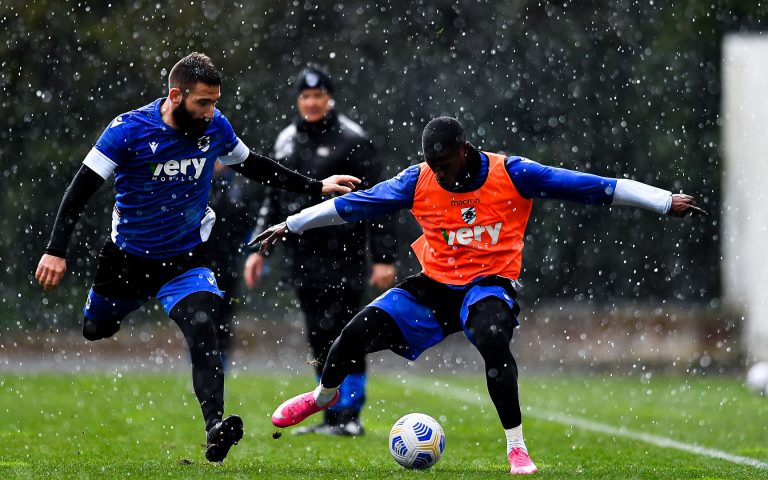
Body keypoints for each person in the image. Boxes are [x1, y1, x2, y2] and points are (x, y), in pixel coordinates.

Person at [253, 117, 707, 474]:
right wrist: (289, 225)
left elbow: (593, 187)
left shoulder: (514, 172)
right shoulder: (418, 179)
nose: (441, 176)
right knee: (352, 335)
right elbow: (355, 204)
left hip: (489, 284)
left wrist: (664, 200)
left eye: (447, 166)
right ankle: (324, 396)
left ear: (464, 152)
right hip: (434, 286)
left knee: (492, 338)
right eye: (434, 168)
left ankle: (517, 449)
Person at [34, 52, 360, 463]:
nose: (212, 112)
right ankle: (106, 312)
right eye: (203, 102)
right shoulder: (128, 129)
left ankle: (214, 429)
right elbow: (79, 191)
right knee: (95, 329)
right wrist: (55, 251)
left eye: (216, 101)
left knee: (205, 328)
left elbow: (255, 166)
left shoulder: (216, 128)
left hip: (185, 259)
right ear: (176, 95)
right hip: (128, 260)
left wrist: (317, 186)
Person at [243, 66, 398, 436]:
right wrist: (259, 249)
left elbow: (381, 201)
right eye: (305, 97)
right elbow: (273, 196)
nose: (311, 103)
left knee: (349, 334)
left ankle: (350, 415)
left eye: (318, 96)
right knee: (317, 336)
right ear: (298, 101)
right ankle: (329, 413)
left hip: (344, 256)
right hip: (303, 259)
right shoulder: (286, 141)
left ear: (330, 98)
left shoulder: (353, 139)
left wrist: (383, 257)